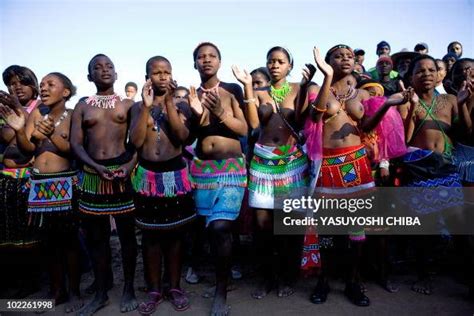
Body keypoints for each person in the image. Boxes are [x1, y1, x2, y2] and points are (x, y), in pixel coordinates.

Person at [304, 45, 408, 306]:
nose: (345, 59)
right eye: (338, 56)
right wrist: (326, 76)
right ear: (327, 61)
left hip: (356, 164)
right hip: (327, 164)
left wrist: (388, 105)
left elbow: (367, 126)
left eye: (349, 56)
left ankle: (353, 282)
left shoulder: (362, 92)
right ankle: (323, 281)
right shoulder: (317, 89)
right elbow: (315, 115)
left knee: (356, 231)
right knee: (327, 229)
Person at [232, 46, 311, 300]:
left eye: (280, 61)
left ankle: (288, 277)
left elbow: (299, 120)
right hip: (262, 163)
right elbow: (254, 125)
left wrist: (306, 88)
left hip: (292, 164)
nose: (275, 65)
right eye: (271, 61)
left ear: (289, 65)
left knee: (289, 226)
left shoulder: (300, 88)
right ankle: (267, 278)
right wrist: (247, 86)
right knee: (262, 227)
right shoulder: (259, 92)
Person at [1, 72, 83, 313]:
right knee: (48, 242)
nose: (44, 88)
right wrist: (19, 131)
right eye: (43, 85)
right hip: (38, 185)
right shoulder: (37, 113)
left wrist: (51, 135)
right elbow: (27, 149)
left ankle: (75, 291)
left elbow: (74, 150)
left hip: (64, 182)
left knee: (69, 241)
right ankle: (57, 291)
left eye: (51, 85)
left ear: (66, 92)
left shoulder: (73, 114)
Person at [71, 54, 138, 315]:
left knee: (127, 236)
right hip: (92, 176)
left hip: (122, 177)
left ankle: (129, 288)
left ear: (117, 74)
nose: (104, 70)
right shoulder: (82, 106)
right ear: (90, 77)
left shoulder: (128, 105)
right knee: (97, 238)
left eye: (109, 66)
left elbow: (138, 142)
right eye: (97, 68)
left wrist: (129, 167)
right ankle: (100, 292)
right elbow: (76, 143)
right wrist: (95, 166)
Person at [130, 56, 195, 314]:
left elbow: (181, 136)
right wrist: (146, 107)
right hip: (148, 177)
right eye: (156, 72)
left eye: (166, 72)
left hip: (174, 176)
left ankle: (175, 286)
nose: (162, 76)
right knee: (150, 236)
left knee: (176, 235)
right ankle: (155, 288)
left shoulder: (181, 104)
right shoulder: (137, 107)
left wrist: (168, 103)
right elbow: (135, 142)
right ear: (147, 76)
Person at [399, 55, 468, 295]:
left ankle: (467, 274)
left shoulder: (450, 100)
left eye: (431, 70)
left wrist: (464, 103)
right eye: (420, 71)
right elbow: (405, 141)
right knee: (424, 228)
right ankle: (423, 275)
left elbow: (464, 131)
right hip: (420, 171)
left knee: (458, 223)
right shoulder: (407, 102)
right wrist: (410, 107)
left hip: (447, 168)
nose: (426, 74)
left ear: (440, 75)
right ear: (411, 77)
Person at [189, 42, 247, 316]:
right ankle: (215, 266)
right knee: (206, 226)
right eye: (201, 57)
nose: (206, 60)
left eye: (211, 56)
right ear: (195, 64)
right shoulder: (191, 94)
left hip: (232, 168)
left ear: (219, 62)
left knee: (220, 227)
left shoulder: (232, 90)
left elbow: (245, 128)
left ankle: (220, 293)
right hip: (202, 171)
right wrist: (197, 114)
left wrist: (221, 113)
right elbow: (188, 137)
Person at [0, 65, 41, 297]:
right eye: (11, 84)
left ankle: (32, 281)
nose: (16, 87)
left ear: (33, 85)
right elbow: (7, 136)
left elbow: (29, 139)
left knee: (32, 231)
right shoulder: (5, 111)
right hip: (8, 179)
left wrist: (17, 110)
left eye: (22, 82)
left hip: (32, 179)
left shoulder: (41, 108)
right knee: (10, 231)